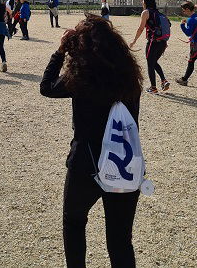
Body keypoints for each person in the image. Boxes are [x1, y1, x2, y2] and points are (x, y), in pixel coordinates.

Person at [40, 14, 143, 268]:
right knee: (120, 241)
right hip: (124, 162)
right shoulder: (129, 75)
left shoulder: (80, 75)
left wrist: (60, 52)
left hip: (87, 163)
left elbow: (46, 87)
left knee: (74, 223)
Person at [130, 0, 169, 94]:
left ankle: (153, 87)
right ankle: (164, 81)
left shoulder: (146, 12)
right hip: (163, 42)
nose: (142, 4)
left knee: (150, 63)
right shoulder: (159, 13)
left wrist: (134, 41)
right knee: (154, 62)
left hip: (153, 41)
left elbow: (141, 28)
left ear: (146, 3)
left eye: (143, 2)